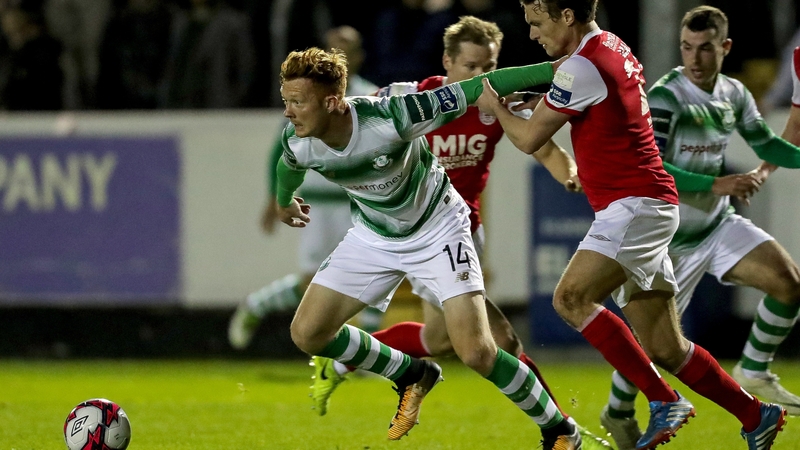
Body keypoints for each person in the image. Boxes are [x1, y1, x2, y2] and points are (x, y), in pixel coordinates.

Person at [474, 1, 787, 449]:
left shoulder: (580, 66)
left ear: (566, 16)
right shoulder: (612, 46)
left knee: (570, 298)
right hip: (646, 203)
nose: (532, 34)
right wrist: (535, 101)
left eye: (537, 23)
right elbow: (590, 99)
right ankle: (757, 415)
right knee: (666, 348)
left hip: (635, 204)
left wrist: (494, 104)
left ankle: (663, 401)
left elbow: (527, 139)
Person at [307, 15, 611, 449]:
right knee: (498, 340)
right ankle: (561, 428)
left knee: (438, 339)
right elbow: (360, 118)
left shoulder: (499, 106)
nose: (481, 77)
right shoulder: (416, 100)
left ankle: (338, 365)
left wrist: (569, 173)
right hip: (426, 233)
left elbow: (543, 146)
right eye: (471, 67)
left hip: (464, 231)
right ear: (447, 62)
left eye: (489, 67)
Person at [598, 6, 800, 449]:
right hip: (668, 240)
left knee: (789, 284)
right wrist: (718, 182)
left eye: (705, 48)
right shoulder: (668, 95)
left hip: (715, 224)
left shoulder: (734, 93)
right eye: (687, 48)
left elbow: (766, 144)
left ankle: (753, 368)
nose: (694, 58)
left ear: (725, 47)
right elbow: (655, 166)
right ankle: (616, 409)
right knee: (654, 346)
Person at [228, 25, 382, 351]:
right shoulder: (305, 96)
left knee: (372, 274)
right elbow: (280, 151)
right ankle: (257, 306)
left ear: (359, 56)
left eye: (346, 48)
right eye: (332, 48)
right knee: (312, 281)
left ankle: (368, 352)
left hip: (360, 201)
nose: (337, 54)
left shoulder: (371, 94)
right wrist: (276, 196)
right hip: (319, 203)